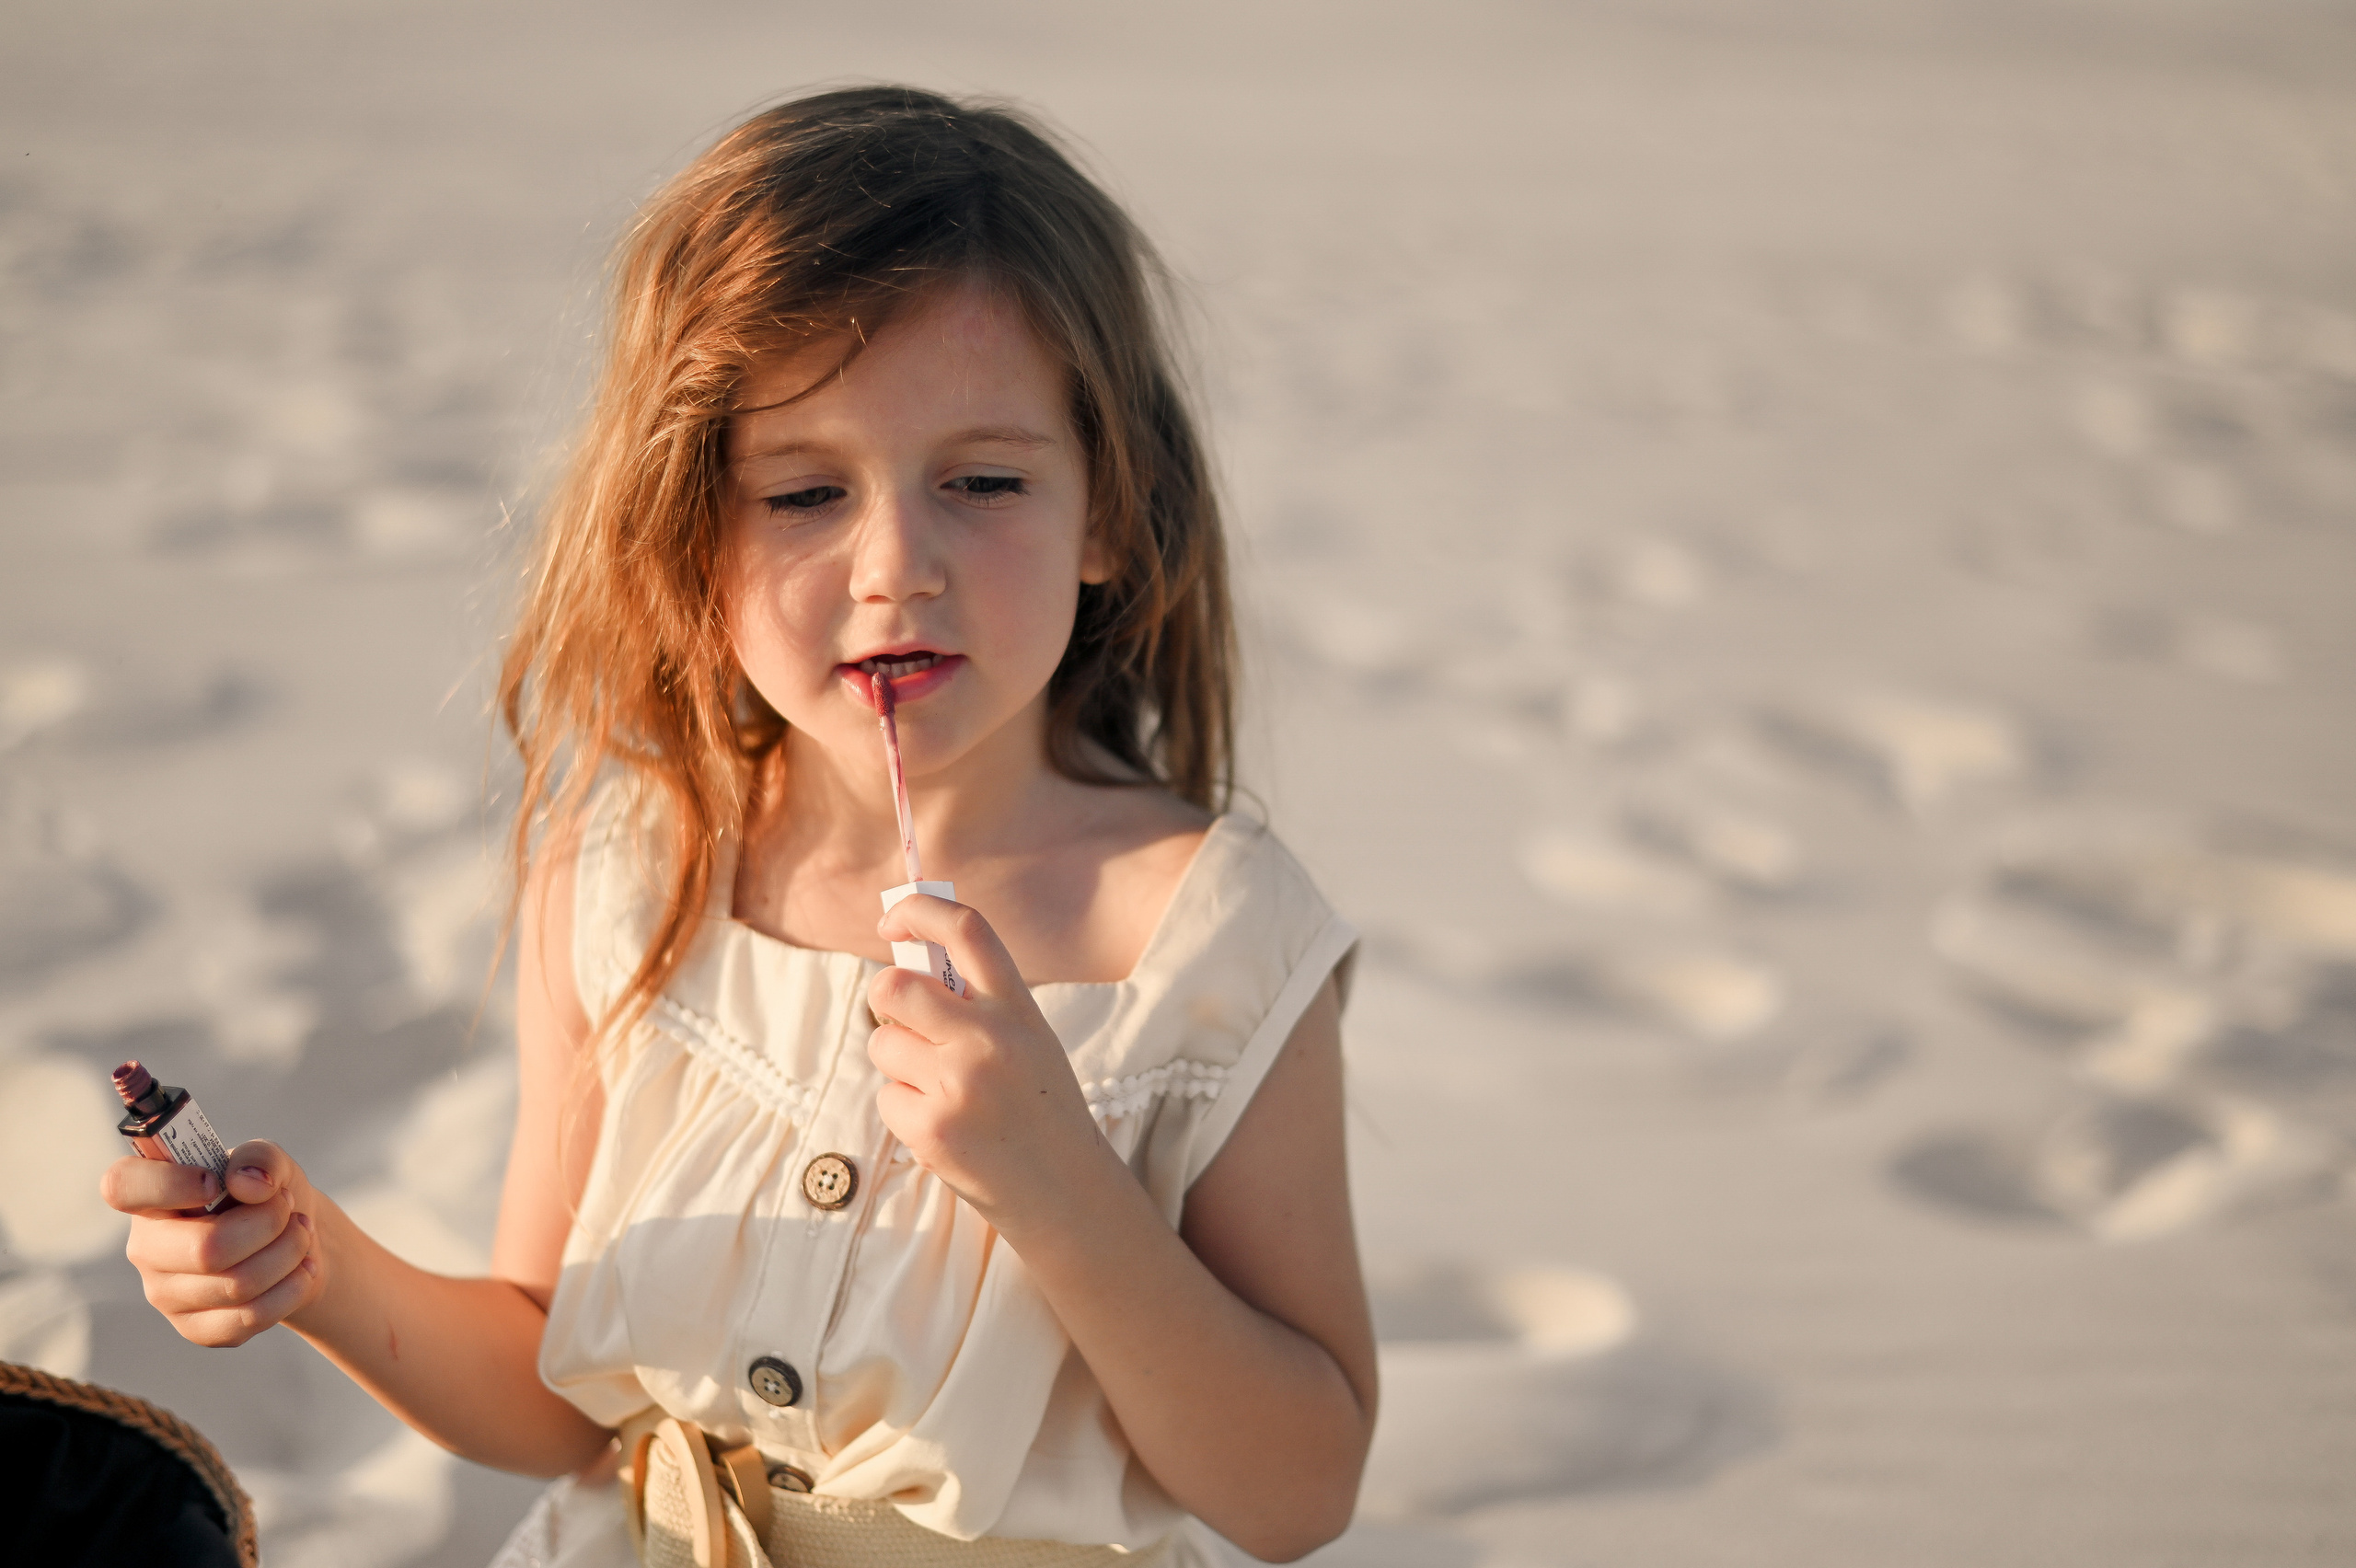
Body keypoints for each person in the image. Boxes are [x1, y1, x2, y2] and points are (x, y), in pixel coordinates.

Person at [101, 86, 1375, 1567]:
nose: (897, 564)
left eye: (984, 480)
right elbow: (556, 1396)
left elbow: (1297, 1495)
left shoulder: (1212, 938)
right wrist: (313, 1269)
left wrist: (1059, 1186)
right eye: (803, 491)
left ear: (1109, 512)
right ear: (686, 535)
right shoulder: (633, 872)